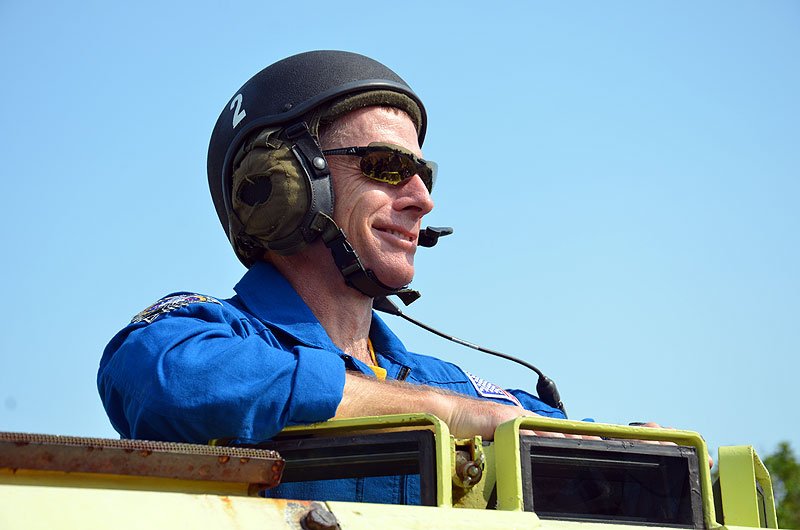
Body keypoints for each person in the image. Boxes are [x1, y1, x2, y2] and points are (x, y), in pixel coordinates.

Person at [97, 50, 568, 504]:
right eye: (389, 167)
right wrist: (442, 413)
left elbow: (560, 433)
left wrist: (636, 442)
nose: (423, 200)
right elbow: (163, 382)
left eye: (424, 173)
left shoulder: (445, 385)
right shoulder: (192, 336)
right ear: (280, 185)